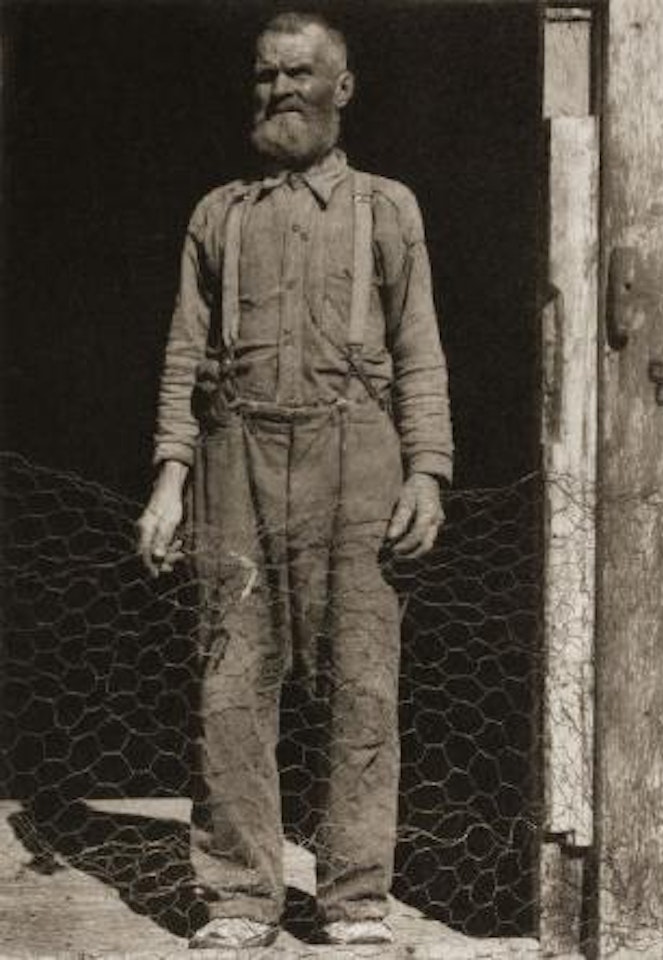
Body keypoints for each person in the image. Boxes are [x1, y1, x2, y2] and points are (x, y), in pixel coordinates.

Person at [137, 11, 452, 951]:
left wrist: (427, 473)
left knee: (362, 682)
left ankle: (354, 902)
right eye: (266, 75)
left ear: (342, 87)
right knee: (231, 680)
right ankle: (238, 898)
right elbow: (182, 356)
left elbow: (421, 354)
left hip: (358, 457)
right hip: (235, 457)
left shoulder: (387, 209)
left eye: (301, 73)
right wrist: (168, 480)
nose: (281, 90)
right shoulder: (217, 215)